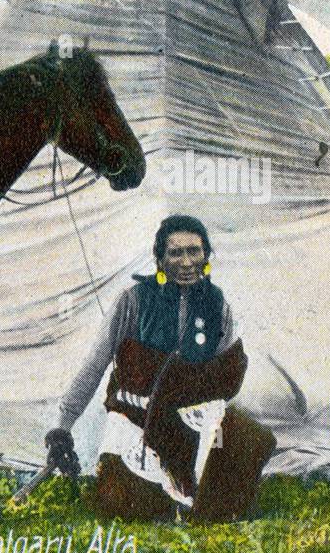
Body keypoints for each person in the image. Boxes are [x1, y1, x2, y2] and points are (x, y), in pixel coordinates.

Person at [43, 214, 275, 522]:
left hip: (189, 423)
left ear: (206, 255)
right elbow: (94, 366)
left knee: (233, 472)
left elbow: (228, 370)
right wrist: (62, 427)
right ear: (160, 259)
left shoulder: (219, 306)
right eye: (175, 253)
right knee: (122, 506)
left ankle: (196, 501)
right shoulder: (134, 300)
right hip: (135, 419)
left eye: (194, 251)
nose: (186, 261)